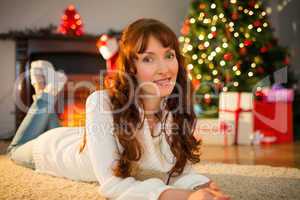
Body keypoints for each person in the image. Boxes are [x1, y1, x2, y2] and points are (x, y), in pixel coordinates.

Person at [6, 18, 230, 200]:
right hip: (53, 150)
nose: (165, 69)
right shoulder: (101, 102)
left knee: (55, 128)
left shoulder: (174, 107)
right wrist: (187, 198)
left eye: (169, 55)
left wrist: (204, 185)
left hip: (77, 137)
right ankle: (45, 95)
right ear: (131, 68)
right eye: (148, 59)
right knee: (14, 150)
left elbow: (179, 172)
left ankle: (47, 98)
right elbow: (114, 185)